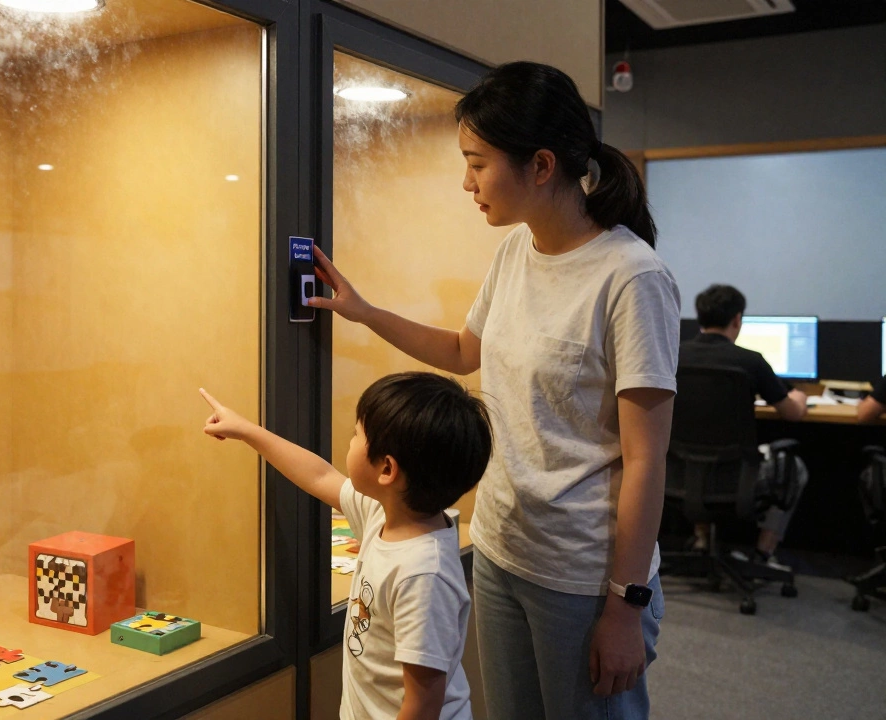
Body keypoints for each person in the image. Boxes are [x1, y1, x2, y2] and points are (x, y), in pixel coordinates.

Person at [307, 61, 678, 719]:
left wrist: (626, 604)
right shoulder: (516, 252)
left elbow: (646, 459)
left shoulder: (631, 276)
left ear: (540, 165)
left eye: (477, 163)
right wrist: (364, 311)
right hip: (504, 549)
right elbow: (461, 352)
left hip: (583, 574)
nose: (466, 182)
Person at [200, 372, 492, 720]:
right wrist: (246, 430)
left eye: (357, 435)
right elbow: (319, 476)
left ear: (387, 469)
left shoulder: (423, 575)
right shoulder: (384, 513)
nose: (350, 442)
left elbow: (423, 702)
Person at [679, 284, 811, 570]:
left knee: (696, 451)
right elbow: (791, 414)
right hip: (737, 478)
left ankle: (702, 538)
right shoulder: (750, 360)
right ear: (737, 319)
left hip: (676, 475)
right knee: (795, 468)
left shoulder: (674, 355)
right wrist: (800, 396)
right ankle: (764, 552)